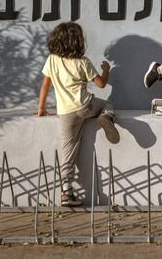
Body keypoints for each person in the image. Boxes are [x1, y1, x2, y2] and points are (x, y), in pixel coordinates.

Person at [36, 22, 120, 207]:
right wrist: (106, 70)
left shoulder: (52, 60)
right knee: (108, 104)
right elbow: (101, 85)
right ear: (77, 42)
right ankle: (106, 117)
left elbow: (45, 85)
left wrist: (41, 108)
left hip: (65, 113)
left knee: (68, 151)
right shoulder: (83, 62)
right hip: (86, 106)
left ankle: (66, 192)